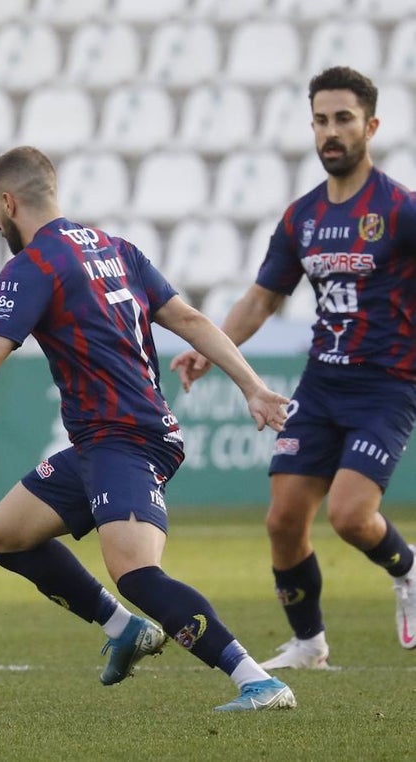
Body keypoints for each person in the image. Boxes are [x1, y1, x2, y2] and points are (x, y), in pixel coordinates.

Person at [0, 146, 298, 712]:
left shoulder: (33, 266)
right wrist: (251, 385)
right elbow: (191, 319)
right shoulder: (116, 248)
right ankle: (121, 628)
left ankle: (257, 680)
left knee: (138, 572)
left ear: (8, 203)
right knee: (4, 533)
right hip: (104, 439)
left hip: (125, 436)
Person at [172, 66, 416, 668]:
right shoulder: (300, 217)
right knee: (282, 520)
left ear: (371, 126)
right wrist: (212, 346)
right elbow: (262, 298)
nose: (330, 132)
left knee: (351, 516)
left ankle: (408, 571)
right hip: (322, 383)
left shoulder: (400, 210)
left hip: (386, 386)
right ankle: (309, 644)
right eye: (321, 120)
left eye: (343, 119)